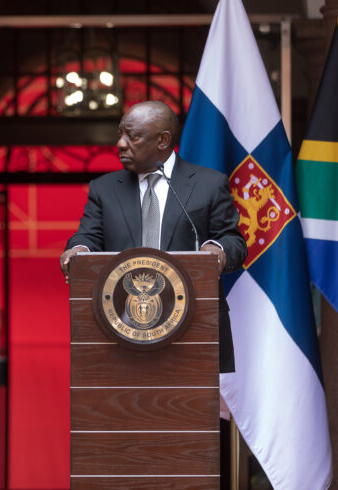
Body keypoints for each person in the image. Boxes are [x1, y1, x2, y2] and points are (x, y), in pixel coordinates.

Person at [60, 100, 246, 372]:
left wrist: (216, 249)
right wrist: (78, 251)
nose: (121, 144)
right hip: (120, 328)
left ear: (163, 140)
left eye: (132, 136)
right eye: (120, 134)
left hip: (192, 329)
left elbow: (234, 242)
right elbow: (87, 238)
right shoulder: (104, 189)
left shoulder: (208, 184)